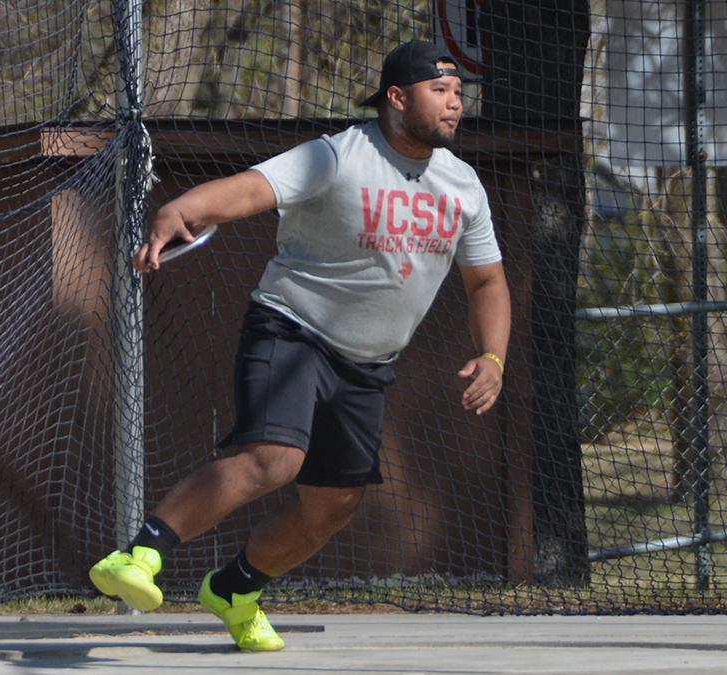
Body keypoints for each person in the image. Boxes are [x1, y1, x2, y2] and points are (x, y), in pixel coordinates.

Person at [89, 40, 511, 652]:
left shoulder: (463, 185)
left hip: (368, 365)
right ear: (397, 98)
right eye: (439, 92)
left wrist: (494, 356)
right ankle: (139, 555)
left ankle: (233, 590)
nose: (454, 104)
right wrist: (181, 206)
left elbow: (488, 280)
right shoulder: (337, 156)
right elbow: (250, 190)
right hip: (293, 330)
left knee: (333, 503)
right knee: (272, 459)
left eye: (458, 94)